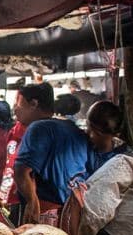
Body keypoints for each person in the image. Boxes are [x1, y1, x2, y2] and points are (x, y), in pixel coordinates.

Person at [12, 83, 91, 225]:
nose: (15, 109)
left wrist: (32, 201)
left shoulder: (39, 128)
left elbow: (21, 171)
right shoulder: (74, 130)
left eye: (18, 103)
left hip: (45, 213)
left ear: (34, 104)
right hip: (73, 212)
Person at [86, 100, 127, 173]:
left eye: (88, 127)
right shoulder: (124, 154)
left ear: (98, 132)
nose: (86, 131)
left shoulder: (122, 159)